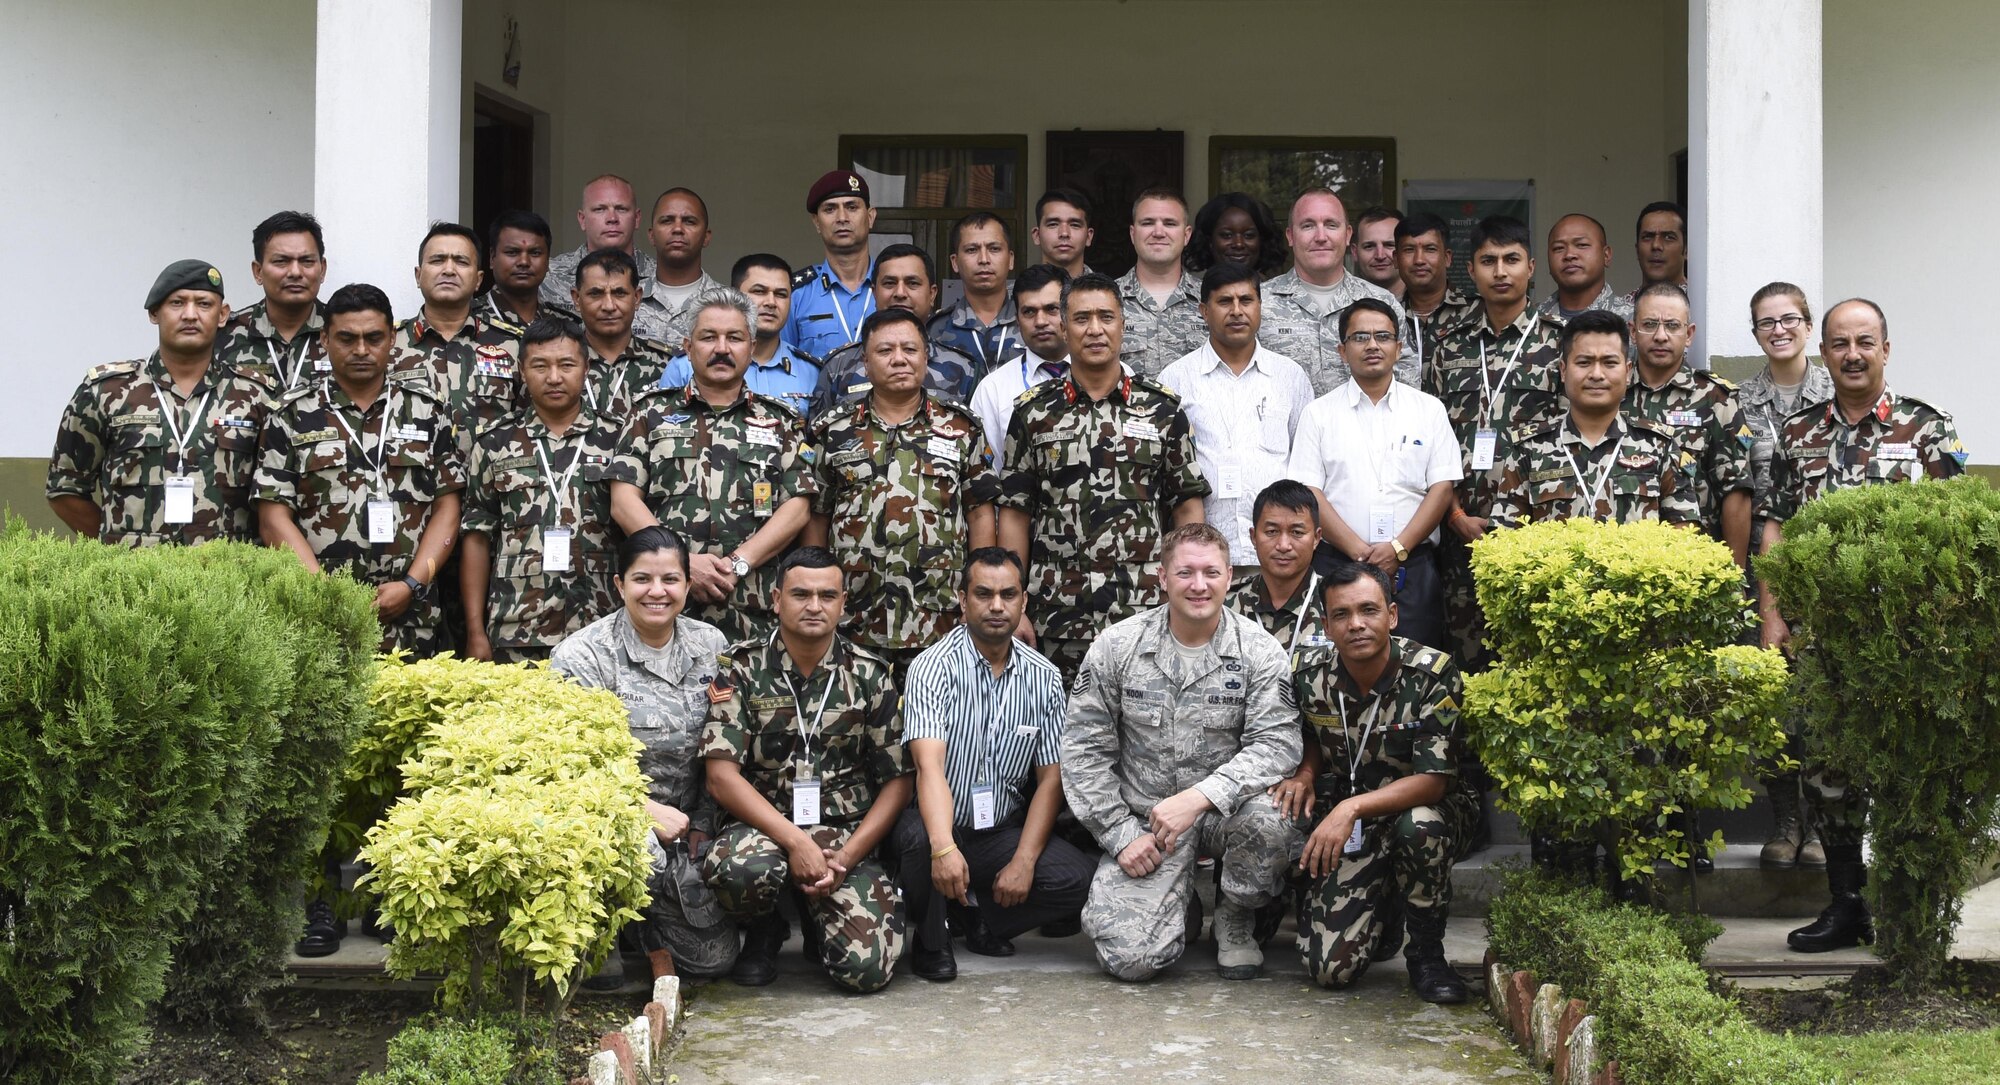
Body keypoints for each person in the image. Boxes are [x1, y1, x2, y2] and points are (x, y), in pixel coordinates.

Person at [1757, 298, 1966, 954]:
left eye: (1864, 342)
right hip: (1824, 636)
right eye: (1840, 343)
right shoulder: (1797, 433)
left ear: (1886, 348)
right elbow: (1775, 527)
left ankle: (1905, 910)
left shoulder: (1928, 429)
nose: (1852, 354)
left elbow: (1959, 532)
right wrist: (1772, 613)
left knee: (1908, 771)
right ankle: (1846, 904)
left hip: (1907, 637)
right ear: (1824, 353)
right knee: (1828, 771)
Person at [1062, 523, 1302, 981]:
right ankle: (1179, 898)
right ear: (1162, 577)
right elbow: (1083, 751)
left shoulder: (1259, 652)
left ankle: (1234, 915)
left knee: (1272, 821)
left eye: (1211, 572)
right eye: (1185, 572)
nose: (1199, 585)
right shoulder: (1117, 647)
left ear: (1230, 576)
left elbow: (1277, 743)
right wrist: (1119, 835)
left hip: (1222, 814)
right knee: (1131, 962)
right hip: (1146, 824)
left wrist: (1200, 797)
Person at [700, 547, 915, 991]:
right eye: (800, 594)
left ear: (842, 603)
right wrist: (796, 842)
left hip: (843, 833)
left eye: (826, 595)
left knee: (865, 973)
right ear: (776, 599)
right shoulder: (741, 669)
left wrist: (848, 857)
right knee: (741, 868)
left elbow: (897, 781)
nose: (814, 606)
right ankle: (766, 929)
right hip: (760, 826)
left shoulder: (871, 674)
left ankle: (824, 924)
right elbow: (721, 776)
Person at [997, 272, 1210, 683]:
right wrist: (1015, 605)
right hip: (1056, 614)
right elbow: (1016, 514)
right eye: (1081, 319)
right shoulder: (1033, 413)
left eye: (1106, 317)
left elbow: (1186, 507)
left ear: (1123, 325)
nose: (1094, 329)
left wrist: (1184, 592)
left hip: (1145, 609)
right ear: (1063, 327)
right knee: (1061, 736)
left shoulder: (1162, 411)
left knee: (1148, 735)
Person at [551, 525, 739, 983]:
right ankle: (601, 931)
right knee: (642, 854)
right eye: (641, 579)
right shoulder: (582, 657)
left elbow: (724, 742)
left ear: (687, 585)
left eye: (670, 580)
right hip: (617, 826)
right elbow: (571, 766)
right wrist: (644, 811)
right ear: (619, 585)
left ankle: (647, 927)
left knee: (714, 960)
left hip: (688, 828)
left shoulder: (711, 647)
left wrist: (702, 822)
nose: (657, 592)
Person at [892, 549, 1095, 973]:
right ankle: (932, 938)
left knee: (1079, 879)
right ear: (963, 601)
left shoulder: (1045, 677)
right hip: (938, 821)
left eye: (1008, 594)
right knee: (917, 840)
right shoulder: (932, 668)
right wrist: (944, 846)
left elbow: (1051, 779)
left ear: (1024, 601)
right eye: (983, 594)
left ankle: (974, 916)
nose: (997, 606)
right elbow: (928, 769)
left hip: (997, 831)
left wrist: (1022, 861)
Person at [1289, 562, 1480, 1001]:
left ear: (1391, 616)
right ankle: (1386, 906)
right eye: (1341, 615)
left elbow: (1434, 781)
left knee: (1420, 825)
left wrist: (1350, 808)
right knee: (1329, 971)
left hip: (1425, 811)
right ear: (1326, 624)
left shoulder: (1433, 674)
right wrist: (1305, 774)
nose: (1356, 624)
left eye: (1368, 610)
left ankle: (1427, 955)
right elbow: (1310, 737)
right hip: (1356, 822)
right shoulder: (1307, 673)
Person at [254, 283, 463, 655]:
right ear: (324, 339)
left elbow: (447, 507)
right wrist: (326, 595)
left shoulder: (427, 410)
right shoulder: (290, 415)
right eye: (347, 338)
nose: (362, 350)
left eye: (374, 338)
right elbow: (273, 516)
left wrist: (412, 585)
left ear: (392, 340)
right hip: (319, 618)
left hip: (411, 617)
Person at [804, 308, 1001, 679]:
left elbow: (979, 512)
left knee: (936, 729)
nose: (899, 359)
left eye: (910, 350)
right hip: (853, 615)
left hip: (937, 616)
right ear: (864, 361)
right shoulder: (834, 431)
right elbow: (818, 515)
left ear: (926, 357)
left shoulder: (960, 429)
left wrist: (980, 594)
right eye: (885, 351)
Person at [610, 290, 816, 646]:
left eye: (734, 338)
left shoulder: (782, 422)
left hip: (754, 605)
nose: (722, 348)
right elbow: (623, 501)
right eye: (709, 337)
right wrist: (684, 564)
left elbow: (798, 507)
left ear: (751, 348)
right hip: (665, 603)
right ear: (688, 347)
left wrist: (737, 564)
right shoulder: (649, 414)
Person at [47, 259, 277, 545]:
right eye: (177, 303)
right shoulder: (106, 391)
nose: (190, 315)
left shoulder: (256, 395)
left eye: (204, 304)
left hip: (226, 576)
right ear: (154, 313)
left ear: (223, 315)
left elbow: (278, 497)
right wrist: (118, 548)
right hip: (135, 580)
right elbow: (65, 490)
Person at [1425, 216, 1566, 671]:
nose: (1500, 271)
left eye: (1511, 260)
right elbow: (1428, 436)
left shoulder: (1560, 341)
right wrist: (1455, 515)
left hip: (1537, 523)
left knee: (1534, 654)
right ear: (1472, 270)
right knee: (1462, 656)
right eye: (1488, 261)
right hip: (1456, 524)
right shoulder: (1448, 343)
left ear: (1531, 266)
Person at [1287, 298, 1461, 651]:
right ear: (1341, 349)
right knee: (1337, 663)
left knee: (1416, 666)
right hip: (1339, 564)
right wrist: (1360, 552)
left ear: (1398, 348)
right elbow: (1310, 491)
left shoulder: (1428, 410)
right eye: (1360, 337)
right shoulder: (1318, 414)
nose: (1372, 345)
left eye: (1382, 336)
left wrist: (1398, 548)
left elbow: (1441, 488)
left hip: (1412, 566)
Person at [1738, 282, 1834, 870]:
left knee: (1824, 697)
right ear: (1754, 333)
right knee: (1773, 703)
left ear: (1808, 326)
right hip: (1760, 569)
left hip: (1827, 572)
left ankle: (1824, 826)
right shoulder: (1737, 401)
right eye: (1766, 322)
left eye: (1790, 319)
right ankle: (1785, 820)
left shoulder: (1833, 389)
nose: (1779, 329)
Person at [460, 318, 622, 663]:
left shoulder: (618, 439)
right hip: (517, 626)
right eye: (540, 366)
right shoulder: (494, 443)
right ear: (521, 371)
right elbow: (476, 538)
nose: (554, 377)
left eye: (566, 365)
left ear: (586, 368)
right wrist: (475, 631)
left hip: (603, 627)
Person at [1156, 263, 1313, 564]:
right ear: (1204, 311)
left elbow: (1306, 463)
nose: (1237, 310)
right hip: (1204, 559)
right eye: (1225, 301)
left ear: (1260, 306)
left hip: (1279, 555)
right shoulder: (1175, 379)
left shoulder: (1290, 376)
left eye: (1246, 300)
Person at [1486, 310, 1699, 530]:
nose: (1596, 374)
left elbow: (1683, 532)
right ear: (1563, 369)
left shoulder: (1659, 446)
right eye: (1584, 362)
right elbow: (1505, 537)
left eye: (1609, 363)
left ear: (1627, 372)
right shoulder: (1529, 448)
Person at [1625, 283, 1754, 564]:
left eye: (1672, 326)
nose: (1661, 336)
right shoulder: (1612, 390)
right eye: (1649, 325)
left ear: (1689, 334)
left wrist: (1733, 576)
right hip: (1623, 556)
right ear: (1633, 332)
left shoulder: (1715, 398)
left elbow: (1735, 493)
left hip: (1694, 564)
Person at [1259, 189, 1411, 394]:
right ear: (1290, 236)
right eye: (1308, 225)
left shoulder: (1382, 302)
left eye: (1331, 225)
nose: (1321, 237)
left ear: (1348, 235)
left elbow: (1406, 386)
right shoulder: (1257, 303)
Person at [806, 244, 980, 416]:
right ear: (874, 293)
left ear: (932, 294)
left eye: (912, 283)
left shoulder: (963, 369)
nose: (900, 293)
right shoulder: (838, 367)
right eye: (889, 283)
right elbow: (817, 437)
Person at [393, 223, 524, 433]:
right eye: (437, 260)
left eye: (461, 262)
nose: (449, 270)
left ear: (478, 280)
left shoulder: (513, 346)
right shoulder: (388, 344)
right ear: (418, 276)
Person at [661, 254, 822, 417]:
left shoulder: (810, 371)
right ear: (736, 295)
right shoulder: (684, 366)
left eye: (781, 294)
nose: (771, 302)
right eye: (759, 291)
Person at [215, 211, 329, 393]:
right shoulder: (221, 337)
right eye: (281, 261)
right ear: (258, 271)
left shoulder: (347, 335)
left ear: (322, 269)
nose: (295, 272)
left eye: (306, 261)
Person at [968, 264, 1070, 455]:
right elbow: (986, 473)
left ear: (1070, 311)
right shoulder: (993, 390)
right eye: (1029, 312)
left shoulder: (1113, 376)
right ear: (1017, 319)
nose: (1040, 321)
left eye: (1051, 309)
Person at [570, 247, 673, 424]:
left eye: (619, 293)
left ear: (637, 297)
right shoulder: (558, 364)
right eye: (596, 294)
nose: (609, 306)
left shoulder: (666, 365)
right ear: (576, 299)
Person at [1225, 481, 1328, 653]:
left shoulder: (1335, 603)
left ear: (1316, 538)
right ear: (1253, 537)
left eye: (1297, 532)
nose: (1283, 545)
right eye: (1272, 531)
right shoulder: (1225, 605)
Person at [786, 170, 877, 360]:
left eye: (852, 207)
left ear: (870, 217)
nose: (842, 218)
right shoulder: (795, 293)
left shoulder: (894, 287)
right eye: (830, 209)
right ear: (817, 222)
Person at [1116, 188, 1207, 379]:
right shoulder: (1106, 299)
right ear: (1133, 233)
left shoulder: (1211, 299)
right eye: (1147, 223)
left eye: (1170, 223)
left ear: (1186, 235)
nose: (1158, 232)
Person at [544, 174, 657, 309]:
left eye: (621, 209)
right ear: (582, 219)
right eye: (599, 209)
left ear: (637, 218)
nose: (612, 218)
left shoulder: (659, 276)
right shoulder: (548, 275)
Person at [929, 212, 1022, 373]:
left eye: (994, 249)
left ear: (1011, 259)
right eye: (972, 250)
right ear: (955, 262)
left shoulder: (1033, 321)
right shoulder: (936, 328)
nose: (984, 259)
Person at [633, 187, 721, 351]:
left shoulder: (728, 303)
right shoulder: (626, 301)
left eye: (689, 221)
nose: (678, 229)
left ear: (706, 237)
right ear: (651, 235)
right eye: (667, 220)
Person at [1393, 212, 1476, 380]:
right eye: (1409, 250)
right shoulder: (1387, 316)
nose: (1419, 260)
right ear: (1395, 259)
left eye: (1430, 249)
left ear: (1447, 258)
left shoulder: (1478, 313)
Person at [483, 209, 578, 328]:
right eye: (512, 252)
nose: (524, 262)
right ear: (492, 257)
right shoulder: (466, 320)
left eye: (535, 253)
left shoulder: (567, 325)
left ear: (548, 260)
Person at [1536, 213, 1634, 323]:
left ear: (1606, 255)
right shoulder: (1530, 320)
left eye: (1582, 245)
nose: (1569, 255)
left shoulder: (1633, 320)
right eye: (1558, 248)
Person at [1184, 192, 1287, 280]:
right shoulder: (1192, 298)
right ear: (1209, 240)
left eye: (1249, 235)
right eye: (1227, 235)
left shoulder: (1281, 299)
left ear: (1262, 240)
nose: (1238, 244)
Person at [1625, 201, 1687, 307]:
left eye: (1669, 237)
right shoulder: (1620, 313)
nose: (1656, 245)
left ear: (1686, 250)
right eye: (1648, 237)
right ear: (1637, 250)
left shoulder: (1707, 309)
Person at [1030, 188, 1095, 279]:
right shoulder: (1015, 292)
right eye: (1053, 224)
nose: (1064, 233)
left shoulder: (1108, 292)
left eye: (1075, 225)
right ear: (1037, 235)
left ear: (1089, 237)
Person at [1349, 206, 1404, 299]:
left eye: (1389, 245)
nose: (1380, 255)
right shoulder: (1342, 308)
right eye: (1369, 246)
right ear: (1355, 252)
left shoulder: (1427, 301)